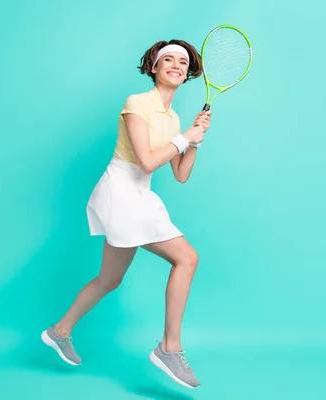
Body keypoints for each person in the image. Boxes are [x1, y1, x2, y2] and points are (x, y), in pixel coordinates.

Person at [41, 39, 211, 390]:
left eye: (183, 61)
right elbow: (147, 160)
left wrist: (193, 141)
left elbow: (180, 174)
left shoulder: (174, 118)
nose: (176, 64)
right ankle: (170, 347)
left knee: (109, 280)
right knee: (187, 259)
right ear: (154, 67)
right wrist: (183, 139)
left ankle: (59, 332)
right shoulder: (137, 103)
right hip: (120, 191)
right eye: (168, 59)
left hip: (140, 194)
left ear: (188, 72)